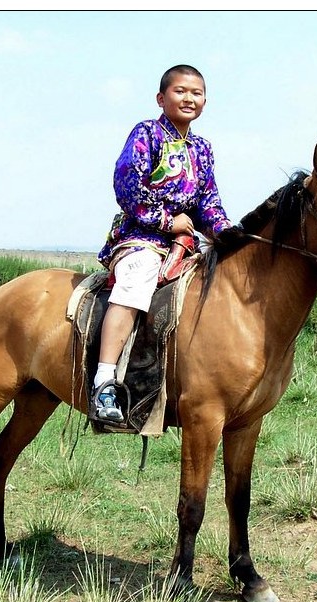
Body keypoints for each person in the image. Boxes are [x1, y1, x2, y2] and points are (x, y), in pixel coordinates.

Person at [93, 64, 233, 422]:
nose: (189, 98)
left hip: (184, 245)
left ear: (204, 102)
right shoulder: (147, 134)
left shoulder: (203, 148)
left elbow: (208, 202)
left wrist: (226, 233)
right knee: (135, 285)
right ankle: (104, 382)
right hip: (141, 237)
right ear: (161, 97)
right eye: (180, 91)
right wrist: (168, 221)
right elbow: (127, 188)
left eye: (196, 93)